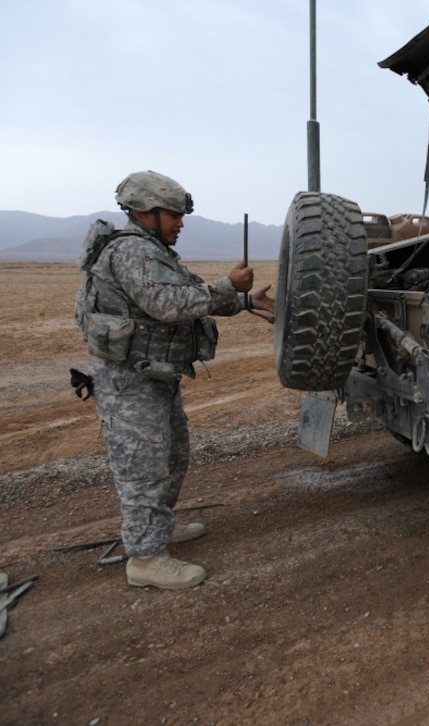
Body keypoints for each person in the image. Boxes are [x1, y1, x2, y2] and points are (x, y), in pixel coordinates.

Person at [75, 170, 274, 590]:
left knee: (172, 457)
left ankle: (157, 529)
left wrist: (243, 300)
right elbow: (167, 305)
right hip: (129, 381)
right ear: (146, 212)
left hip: (154, 376)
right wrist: (227, 285)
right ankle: (145, 558)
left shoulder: (154, 251)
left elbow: (187, 296)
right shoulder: (131, 251)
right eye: (174, 215)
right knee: (144, 468)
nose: (181, 223)